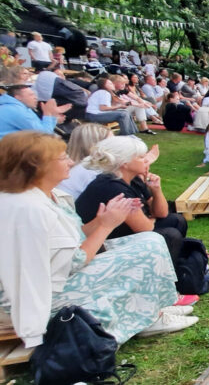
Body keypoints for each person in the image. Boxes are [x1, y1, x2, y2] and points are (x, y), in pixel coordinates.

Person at [0, 131, 193, 349]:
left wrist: (102, 220)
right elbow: (74, 262)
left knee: (152, 240)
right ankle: (149, 316)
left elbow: (76, 235)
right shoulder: (27, 209)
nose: (71, 162)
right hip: (47, 296)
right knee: (151, 243)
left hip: (59, 278)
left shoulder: (47, 195)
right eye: (63, 158)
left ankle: (152, 308)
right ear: (36, 165)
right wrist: (106, 225)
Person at [76, 136, 188, 263]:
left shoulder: (132, 178)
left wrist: (156, 190)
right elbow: (145, 228)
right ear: (125, 162)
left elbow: (162, 213)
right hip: (102, 243)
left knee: (176, 220)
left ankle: (177, 264)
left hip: (121, 231)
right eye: (140, 157)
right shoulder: (113, 187)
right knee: (170, 235)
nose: (146, 160)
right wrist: (150, 218)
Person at [56, 123, 112, 200]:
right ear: (94, 145)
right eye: (111, 142)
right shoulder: (90, 169)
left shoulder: (72, 167)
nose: (116, 145)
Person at [0, 84, 71, 138]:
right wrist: (48, 114)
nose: (35, 97)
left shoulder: (19, 107)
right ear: (18, 97)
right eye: (31, 95)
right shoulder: (16, 111)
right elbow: (44, 135)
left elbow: (41, 128)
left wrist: (53, 117)